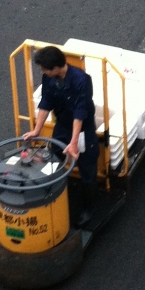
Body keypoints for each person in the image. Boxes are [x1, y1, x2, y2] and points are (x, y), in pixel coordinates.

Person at [26, 45, 99, 198]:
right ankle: (56, 192)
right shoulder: (49, 77)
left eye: (44, 69)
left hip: (82, 131)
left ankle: (89, 202)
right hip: (62, 125)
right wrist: (36, 130)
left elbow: (80, 112)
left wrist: (74, 142)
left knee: (87, 166)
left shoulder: (81, 80)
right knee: (54, 158)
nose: (42, 72)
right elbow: (46, 102)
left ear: (56, 68)